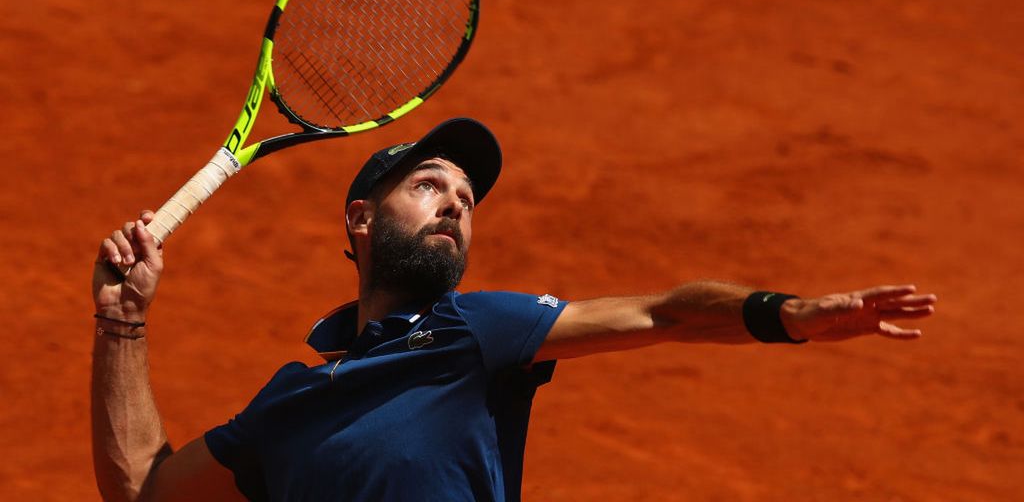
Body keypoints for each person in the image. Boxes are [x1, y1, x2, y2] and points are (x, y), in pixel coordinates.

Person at [91, 117, 936, 502]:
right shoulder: (287, 406)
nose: (456, 202)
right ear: (359, 219)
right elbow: (147, 489)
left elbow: (663, 315)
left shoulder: (474, 334)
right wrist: (122, 323)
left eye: (466, 195)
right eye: (427, 185)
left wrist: (785, 314)